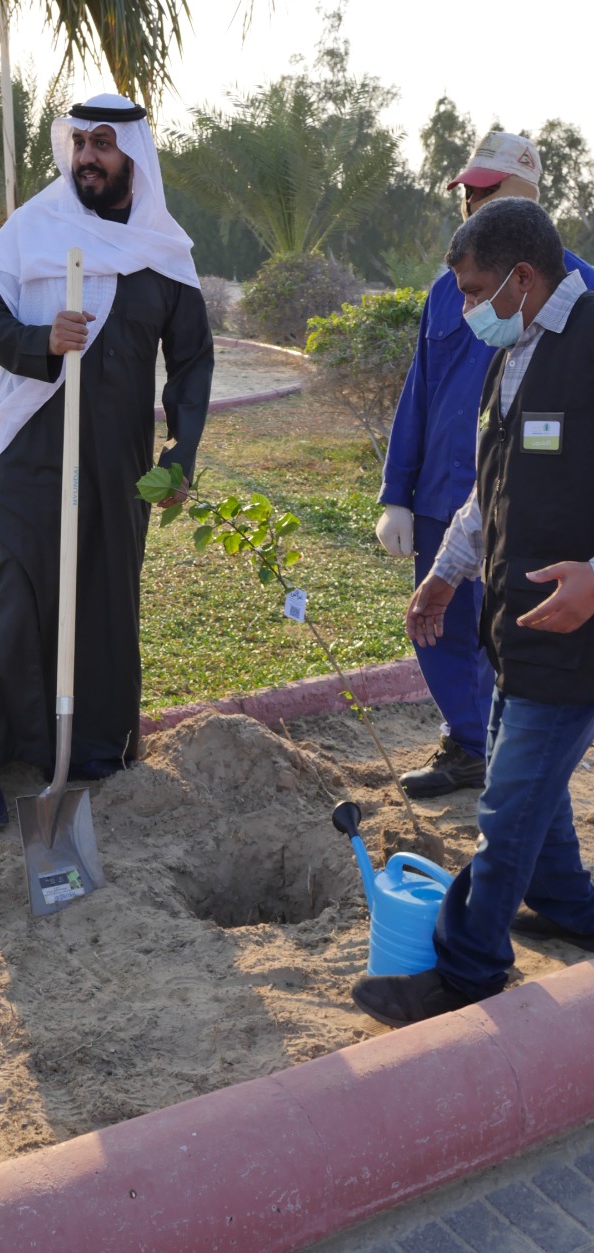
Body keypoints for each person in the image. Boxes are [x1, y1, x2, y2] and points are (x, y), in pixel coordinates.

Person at [352, 198, 594, 1028]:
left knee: (507, 807)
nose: (464, 311)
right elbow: (489, 491)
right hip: (515, 628)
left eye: (475, 291)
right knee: (526, 787)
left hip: (576, 637)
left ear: (523, 279)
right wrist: (446, 574)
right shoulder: (512, 354)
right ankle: (567, 904)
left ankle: (465, 972)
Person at [0, 93, 214, 830]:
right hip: (28, 451)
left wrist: (181, 451)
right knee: (16, 600)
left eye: (103, 144)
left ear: (132, 155)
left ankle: (97, 748)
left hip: (117, 461)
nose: (88, 157)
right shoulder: (33, 229)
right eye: (80, 143)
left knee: (104, 600)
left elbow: (192, 361)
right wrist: (41, 340)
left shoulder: (164, 253)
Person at [376, 132, 594, 798]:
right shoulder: (450, 290)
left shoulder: (578, 295)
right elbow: (421, 391)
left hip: (538, 512)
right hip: (449, 493)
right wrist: (397, 493)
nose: (472, 202)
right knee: (443, 630)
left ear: (525, 195)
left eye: (487, 190)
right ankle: (472, 745)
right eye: (467, 192)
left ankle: (520, 761)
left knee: (521, 633)